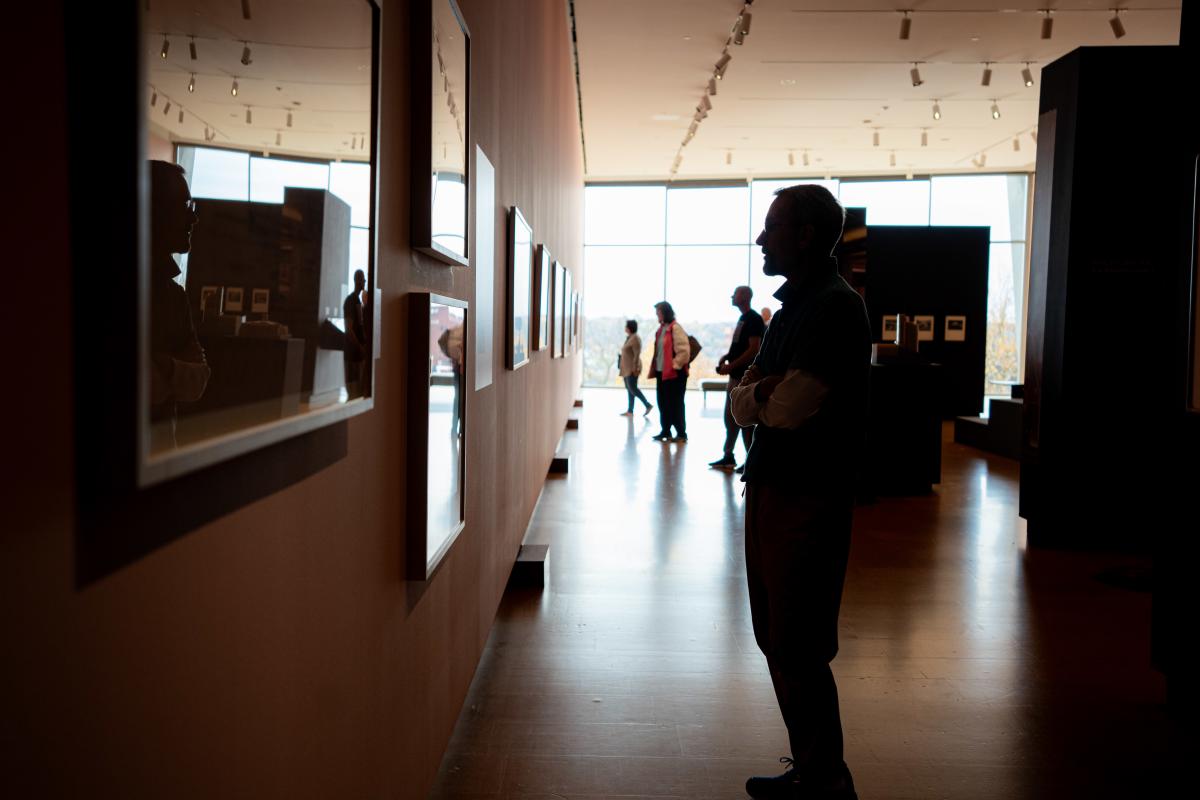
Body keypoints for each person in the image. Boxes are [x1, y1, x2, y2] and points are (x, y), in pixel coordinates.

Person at [730, 184, 871, 800]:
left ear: (805, 235)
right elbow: (750, 399)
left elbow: (787, 407)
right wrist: (760, 391)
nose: (761, 240)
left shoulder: (833, 308)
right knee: (777, 636)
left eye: (772, 227)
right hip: (773, 490)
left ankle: (826, 779)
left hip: (805, 497)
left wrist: (759, 392)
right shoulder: (793, 309)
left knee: (798, 639)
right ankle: (814, 770)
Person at [148, 160, 210, 452]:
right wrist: (176, 373)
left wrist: (163, 366)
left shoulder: (174, 295)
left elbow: (199, 379)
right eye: (184, 206)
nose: (193, 218)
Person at [709, 286, 764, 470]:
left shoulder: (754, 319)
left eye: (736, 293)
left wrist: (731, 365)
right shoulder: (743, 318)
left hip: (743, 378)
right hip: (735, 376)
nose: (732, 295)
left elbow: (753, 349)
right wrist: (727, 357)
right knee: (730, 418)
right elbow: (741, 347)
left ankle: (750, 460)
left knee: (743, 420)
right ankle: (728, 455)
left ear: (746, 296)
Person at [646, 301, 690, 442]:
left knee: (675, 404)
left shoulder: (675, 328)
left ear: (665, 313)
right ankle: (666, 431)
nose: (656, 315)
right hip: (662, 372)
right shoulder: (662, 329)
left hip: (675, 374)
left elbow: (684, 352)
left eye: (658, 312)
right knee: (663, 403)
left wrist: (674, 365)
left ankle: (681, 433)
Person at [618, 319, 652, 416]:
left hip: (632, 368)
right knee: (629, 389)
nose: (625, 328)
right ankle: (630, 410)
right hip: (626, 368)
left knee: (633, 388)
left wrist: (635, 368)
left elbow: (637, 354)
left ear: (629, 328)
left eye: (626, 326)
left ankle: (647, 405)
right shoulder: (630, 338)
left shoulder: (635, 338)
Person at [344, 269, 367, 399]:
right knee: (353, 392)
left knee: (357, 392)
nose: (364, 282)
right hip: (353, 355)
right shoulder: (351, 301)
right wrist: (360, 347)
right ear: (357, 281)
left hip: (358, 354)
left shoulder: (357, 301)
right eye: (362, 279)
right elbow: (349, 329)